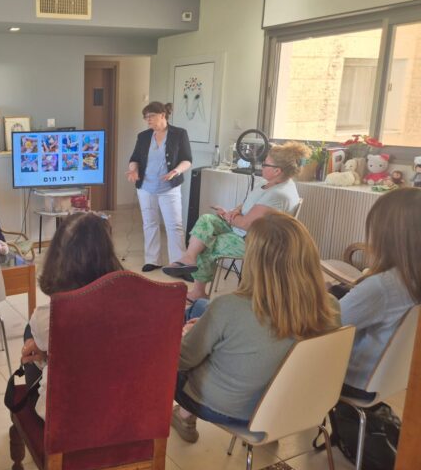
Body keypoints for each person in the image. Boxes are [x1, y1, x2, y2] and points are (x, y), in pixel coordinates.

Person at [171, 213, 340, 443]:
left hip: (228, 409)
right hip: (289, 407)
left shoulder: (229, 308)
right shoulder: (330, 307)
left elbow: (181, 361)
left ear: (254, 260)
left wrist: (189, 335)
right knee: (203, 310)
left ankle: (183, 416)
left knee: (167, 354)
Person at [164, 140, 309, 301]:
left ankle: (198, 291)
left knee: (205, 242)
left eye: (265, 164)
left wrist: (228, 216)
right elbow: (251, 204)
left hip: (254, 241)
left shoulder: (278, 195)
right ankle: (189, 258)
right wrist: (236, 211)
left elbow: (246, 224)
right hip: (242, 230)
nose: (261, 166)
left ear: (277, 170)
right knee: (206, 220)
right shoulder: (270, 183)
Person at [21, 212, 123, 419]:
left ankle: (29, 411)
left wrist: (45, 353)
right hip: (124, 411)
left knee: (31, 337)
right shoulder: (134, 304)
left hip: (67, 419)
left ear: (58, 257)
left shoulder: (48, 317)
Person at [339, 187, 420, 399]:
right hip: (390, 378)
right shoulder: (410, 279)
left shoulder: (382, 287)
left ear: (387, 235)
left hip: (352, 378)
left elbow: (326, 324)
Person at [126, 101, 192, 273]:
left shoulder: (179, 134)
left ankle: (178, 265)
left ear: (163, 115)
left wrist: (176, 171)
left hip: (169, 188)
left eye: (151, 116)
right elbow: (134, 159)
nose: (148, 120)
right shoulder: (143, 136)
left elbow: (187, 160)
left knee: (174, 226)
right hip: (146, 187)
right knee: (150, 223)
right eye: (146, 117)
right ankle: (152, 260)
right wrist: (133, 170)